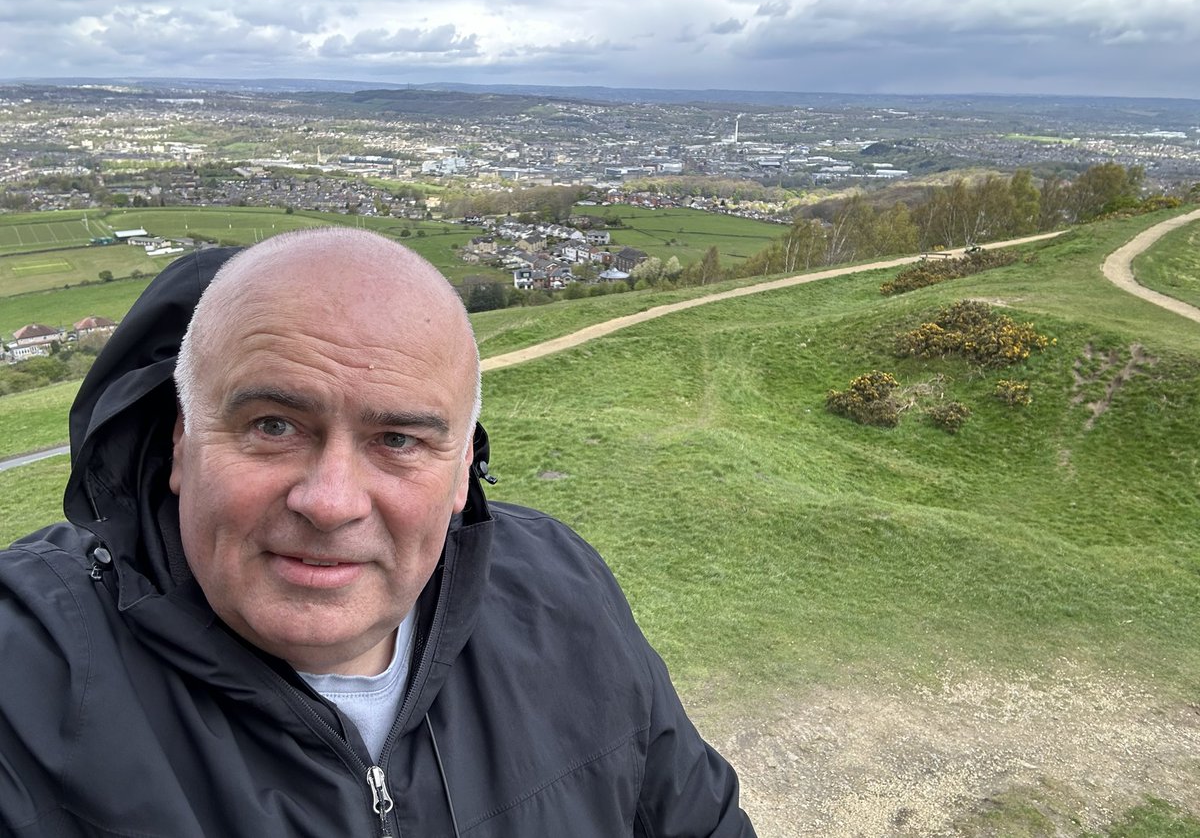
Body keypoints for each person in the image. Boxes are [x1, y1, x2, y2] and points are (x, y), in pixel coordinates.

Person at [0, 228, 756, 837]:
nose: (330, 503)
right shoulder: (26, 675)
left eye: (397, 440)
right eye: (272, 425)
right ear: (180, 443)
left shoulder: (565, 588)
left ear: (461, 471)